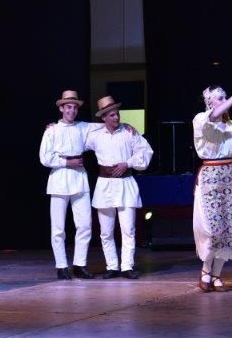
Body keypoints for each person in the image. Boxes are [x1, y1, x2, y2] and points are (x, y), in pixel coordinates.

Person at [192, 83, 232, 292]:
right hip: (210, 178)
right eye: (219, 98)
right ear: (210, 102)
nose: (223, 101)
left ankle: (217, 274)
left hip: (231, 177)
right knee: (212, 229)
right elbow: (213, 116)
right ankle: (205, 270)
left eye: (224, 97)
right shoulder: (201, 120)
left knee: (230, 230)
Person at [83, 96, 153, 280]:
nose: (116, 118)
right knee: (106, 231)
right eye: (112, 115)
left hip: (125, 183)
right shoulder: (95, 134)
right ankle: (112, 266)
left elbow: (146, 151)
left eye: (117, 114)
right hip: (105, 185)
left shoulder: (128, 131)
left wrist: (128, 163)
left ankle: (127, 266)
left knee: (128, 229)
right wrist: (55, 128)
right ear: (103, 118)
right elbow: (76, 133)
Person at [39, 90, 98, 280]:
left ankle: (79, 264)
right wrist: (66, 163)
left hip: (79, 178)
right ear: (61, 108)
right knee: (58, 227)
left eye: (74, 107)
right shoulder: (52, 130)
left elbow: (106, 127)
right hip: (60, 177)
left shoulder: (84, 127)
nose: (71, 111)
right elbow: (44, 157)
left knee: (84, 225)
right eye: (68, 107)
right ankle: (61, 265)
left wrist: (125, 126)